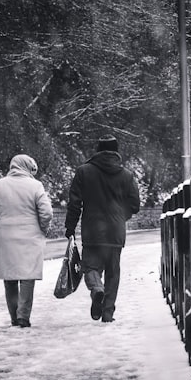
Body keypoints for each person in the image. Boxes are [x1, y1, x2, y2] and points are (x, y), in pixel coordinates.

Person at [64, 135, 140, 323]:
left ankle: (97, 289)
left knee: (90, 268)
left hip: (92, 230)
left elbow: (74, 203)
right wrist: (120, 216)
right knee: (113, 273)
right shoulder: (127, 175)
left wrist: (70, 227)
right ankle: (107, 313)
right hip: (115, 232)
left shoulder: (84, 172)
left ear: (97, 150)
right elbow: (135, 204)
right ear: (116, 151)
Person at [0, 154, 54, 328]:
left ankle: (14, 317)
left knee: (10, 277)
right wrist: (43, 229)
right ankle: (23, 316)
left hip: (5, 236)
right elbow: (47, 212)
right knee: (28, 276)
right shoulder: (35, 186)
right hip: (31, 236)